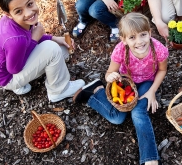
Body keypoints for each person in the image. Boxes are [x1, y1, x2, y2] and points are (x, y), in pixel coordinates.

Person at [72, 13, 168, 165]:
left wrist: (152, 92)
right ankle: (96, 93)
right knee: (117, 118)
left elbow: (162, 70)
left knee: (138, 112)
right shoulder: (121, 50)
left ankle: (150, 159)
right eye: (132, 37)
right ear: (123, 39)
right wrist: (110, 77)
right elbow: (110, 73)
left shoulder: (159, 50)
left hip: (146, 83)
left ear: (149, 32)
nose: (139, 41)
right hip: (125, 83)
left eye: (143, 35)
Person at [0, 0, 85, 102]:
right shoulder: (15, 40)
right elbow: (14, 69)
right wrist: (35, 39)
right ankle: (59, 91)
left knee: (62, 49)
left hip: (7, 67)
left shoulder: (15, 22)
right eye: (19, 11)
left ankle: (24, 83)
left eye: (29, 4)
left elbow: (30, 38)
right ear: (8, 14)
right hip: (9, 78)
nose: (28, 13)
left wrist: (54, 38)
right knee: (53, 49)